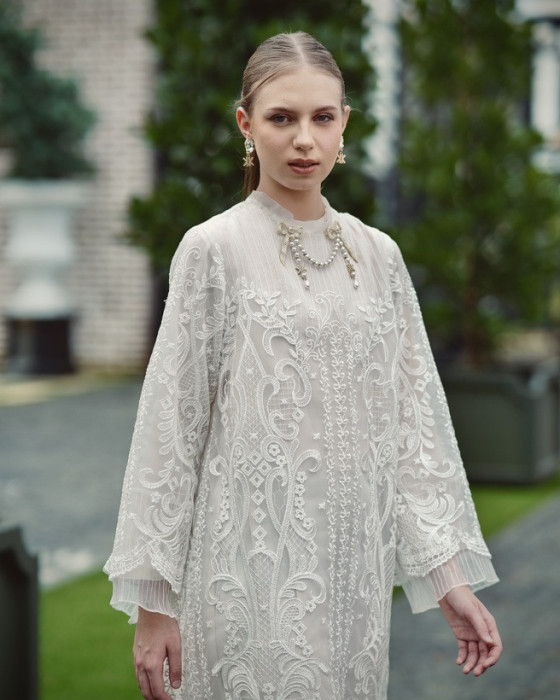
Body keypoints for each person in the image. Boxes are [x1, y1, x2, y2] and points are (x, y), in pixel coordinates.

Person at [104, 31, 502, 700]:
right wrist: (153, 606)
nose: (304, 141)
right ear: (246, 124)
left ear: (345, 122)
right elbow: (170, 434)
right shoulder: (213, 250)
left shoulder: (379, 256)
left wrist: (448, 579)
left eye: (322, 117)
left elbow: (413, 430)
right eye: (281, 118)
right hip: (244, 578)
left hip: (356, 586)